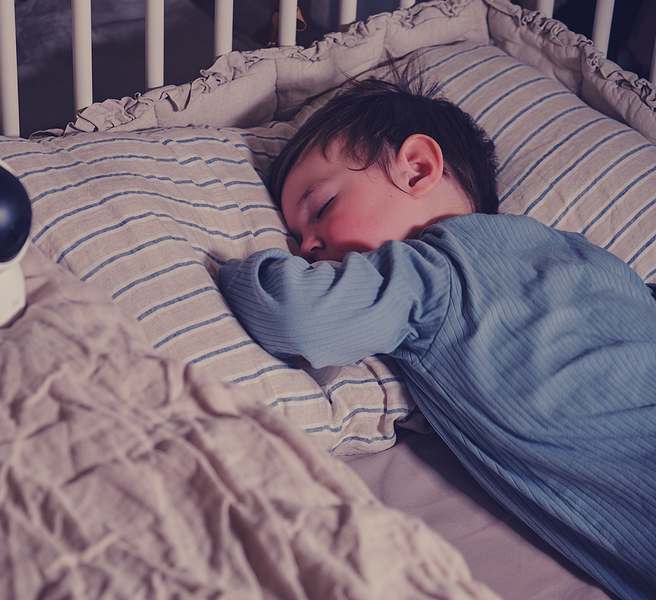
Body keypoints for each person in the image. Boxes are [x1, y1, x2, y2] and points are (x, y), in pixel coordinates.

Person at [217, 71, 656, 600]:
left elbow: (297, 317)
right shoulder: (573, 247)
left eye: (321, 209)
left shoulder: (429, 274)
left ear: (418, 169)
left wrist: (241, 270)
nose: (306, 249)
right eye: (294, 238)